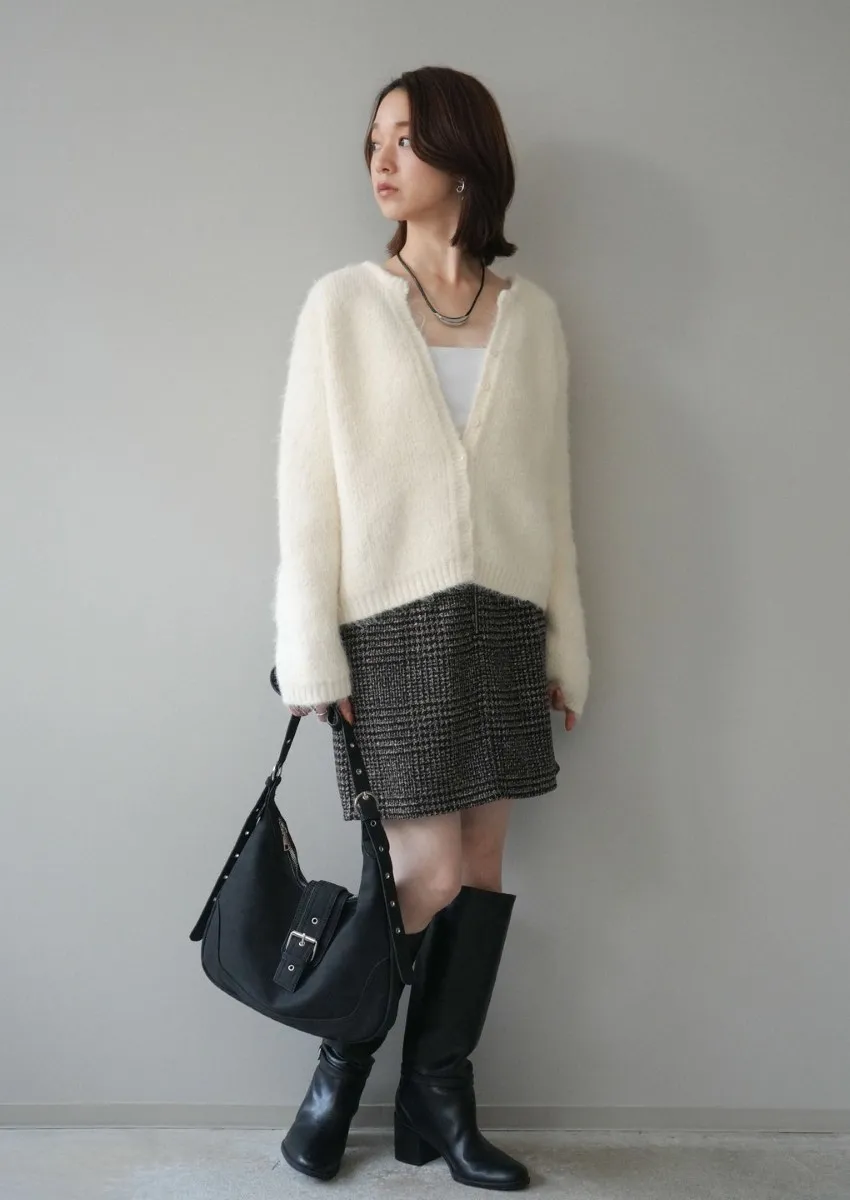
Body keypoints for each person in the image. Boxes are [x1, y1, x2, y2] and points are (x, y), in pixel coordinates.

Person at [272, 65, 590, 1191]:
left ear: (465, 155)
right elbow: (306, 494)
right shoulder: (342, 305)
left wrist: (565, 644)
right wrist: (308, 648)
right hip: (390, 630)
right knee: (429, 870)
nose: (380, 158)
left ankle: (439, 1099)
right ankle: (338, 1075)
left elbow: (550, 497)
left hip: (504, 622)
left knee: (484, 868)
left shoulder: (533, 318)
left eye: (405, 137)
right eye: (374, 139)